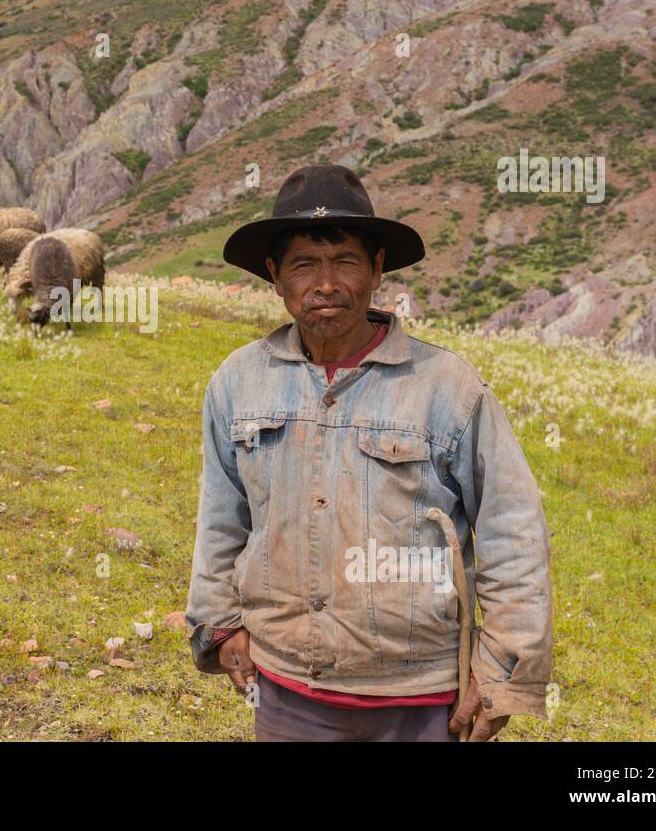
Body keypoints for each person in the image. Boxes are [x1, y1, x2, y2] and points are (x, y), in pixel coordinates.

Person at [185, 164, 553, 742]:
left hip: (421, 696)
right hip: (286, 687)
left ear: (378, 270)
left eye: (345, 261)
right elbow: (220, 519)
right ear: (276, 277)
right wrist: (220, 624)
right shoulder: (237, 383)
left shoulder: (448, 387)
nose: (325, 283)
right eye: (304, 264)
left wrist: (503, 670)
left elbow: (515, 530)